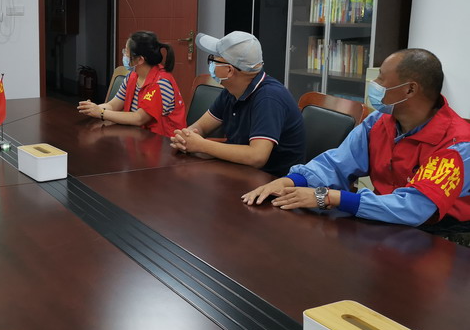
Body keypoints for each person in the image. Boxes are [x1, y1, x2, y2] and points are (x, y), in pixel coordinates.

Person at [241, 49, 470, 235]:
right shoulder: (380, 121)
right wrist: (290, 181)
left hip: (443, 236)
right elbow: (337, 164)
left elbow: (414, 208)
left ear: (409, 89)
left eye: (381, 78)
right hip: (387, 221)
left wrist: (327, 197)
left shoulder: (457, 145)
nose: (374, 83)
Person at [170, 31, 305, 175]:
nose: (212, 64)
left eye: (214, 59)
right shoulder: (232, 91)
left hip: (273, 182)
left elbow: (257, 157)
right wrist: (185, 138)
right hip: (240, 172)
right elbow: (201, 127)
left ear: (229, 70)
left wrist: (201, 145)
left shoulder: (269, 98)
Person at [77, 30, 186, 137]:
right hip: (138, 136)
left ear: (140, 60)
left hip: (164, 142)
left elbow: (139, 118)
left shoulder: (161, 84)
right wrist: (92, 108)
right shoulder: (132, 76)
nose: (124, 55)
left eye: (126, 52)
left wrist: (101, 113)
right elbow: (112, 105)